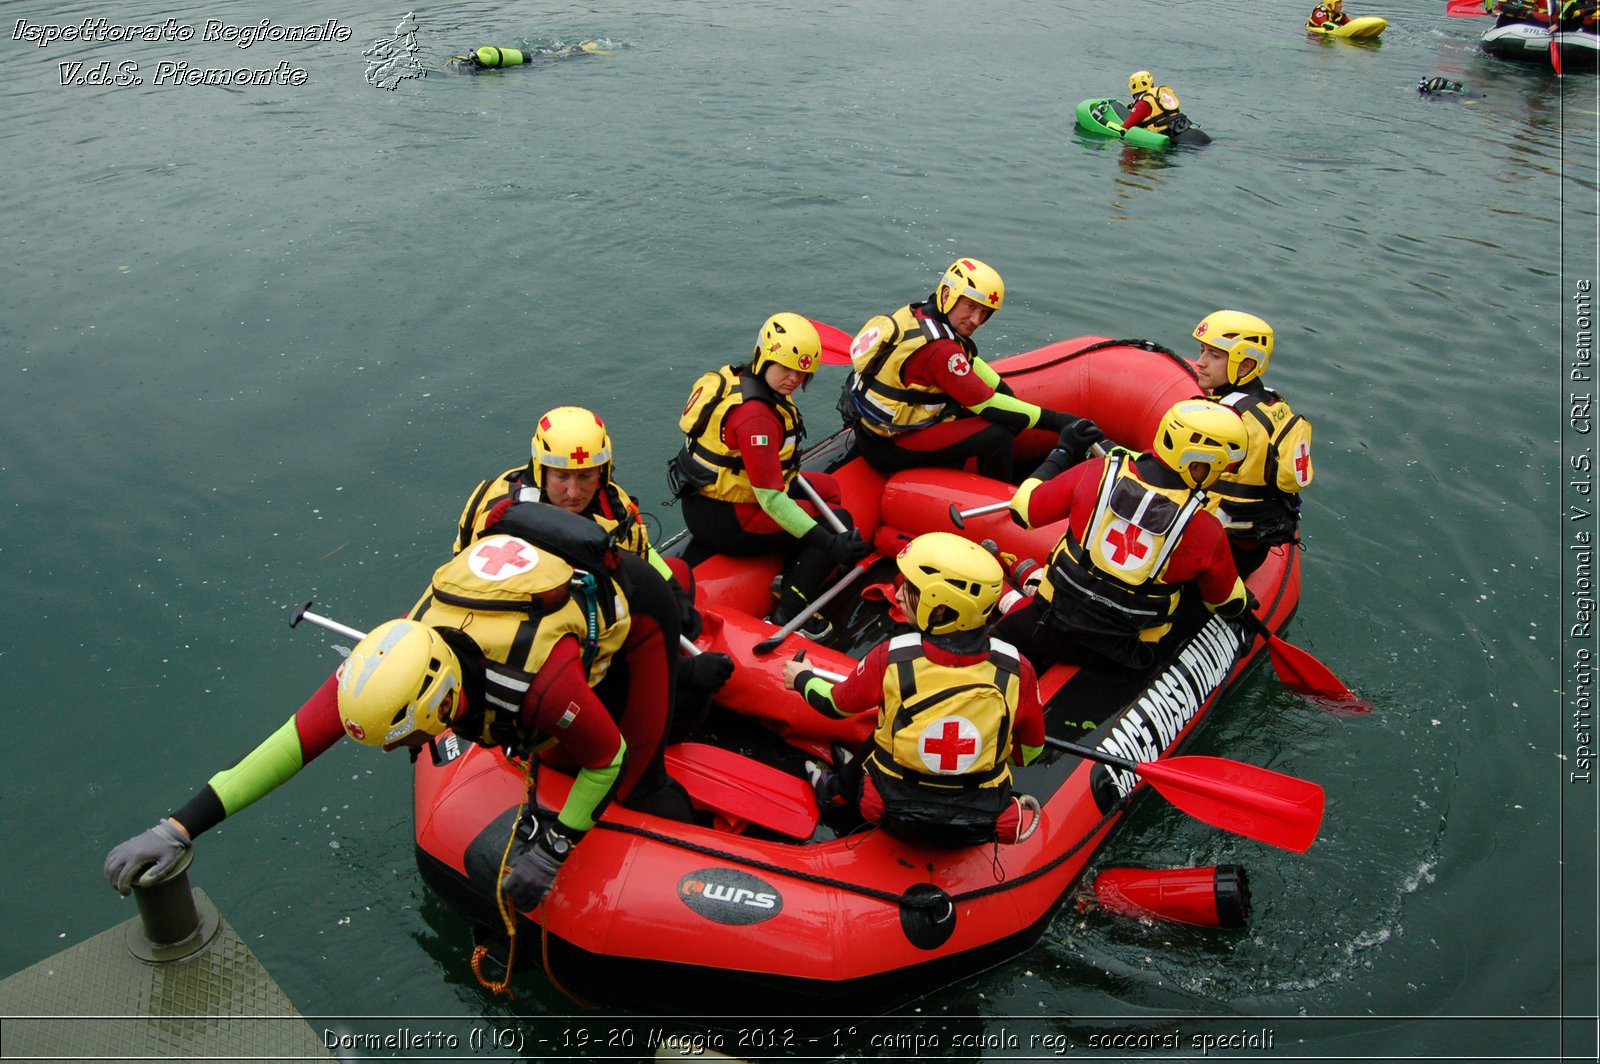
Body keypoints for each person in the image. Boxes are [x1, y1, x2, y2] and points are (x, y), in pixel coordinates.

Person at [105, 505, 690, 913]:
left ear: (441, 708)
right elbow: (291, 743)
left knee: (635, 776)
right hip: (524, 634)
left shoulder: (540, 683)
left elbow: (606, 758)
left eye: (404, 742)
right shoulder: (395, 658)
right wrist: (179, 827)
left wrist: (556, 849)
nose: (399, 753)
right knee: (559, 753)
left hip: (636, 615)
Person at [454, 406, 734, 720]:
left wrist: (673, 593)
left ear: (603, 470)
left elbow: (639, 551)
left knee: (680, 576)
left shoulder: (612, 504)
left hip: (592, 622)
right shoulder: (516, 530)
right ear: (540, 468)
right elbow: (587, 636)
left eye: (586, 476)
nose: (574, 492)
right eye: (561, 477)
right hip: (549, 655)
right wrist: (684, 670)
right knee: (691, 703)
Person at [782, 533, 1045, 847]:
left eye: (911, 589)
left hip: (891, 812)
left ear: (941, 608)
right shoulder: (1019, 670)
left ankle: (833, 794)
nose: (899, 594)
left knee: (888, 729)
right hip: (978, 823)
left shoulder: (890, 657)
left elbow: (834, 705)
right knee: (895, 728)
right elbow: (1029, 752)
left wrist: (801, 678)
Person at [996, 399, 1252, 673]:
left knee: (996, 640)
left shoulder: (1096, 473)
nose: (1222, 477)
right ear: (1198, 466)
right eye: (1222, 469)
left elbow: (1023, 511)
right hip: (1125, 653)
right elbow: (1224, 601)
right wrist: (1243, 600)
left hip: (1050, 623)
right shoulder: (1205, 530)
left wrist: (1063, 450)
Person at [672, 312, 869, 638]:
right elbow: (771, 498)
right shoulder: (756, 419)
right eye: (786, 368)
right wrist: (831, 543)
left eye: (803, 372)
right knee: (838, 519)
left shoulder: (737, 379)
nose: (793, 379)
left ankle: (791, 570)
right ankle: (791, 611)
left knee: (829, 489)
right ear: (764, 358)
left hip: (710, 499)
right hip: (729, 519)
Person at [838, 258, 1102, 482]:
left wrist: (1007, 395)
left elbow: (972, 363)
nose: (976, 320)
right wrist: (1061, 421)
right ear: (947, 295)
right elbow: (984, 403)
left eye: (985, 312)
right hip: (890, 448)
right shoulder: (939, 350)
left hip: (879, 432)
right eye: (970, 306)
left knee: (1006, 412)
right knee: (998, 434)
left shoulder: (921, 313)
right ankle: (999, 499)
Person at [1190, 311, 1313, 576]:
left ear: (1245, 365)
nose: (1200, 363)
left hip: (1218, 551)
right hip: (1253, 545)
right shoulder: (1273, 403)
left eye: (1214, 355)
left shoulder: (1222, 421)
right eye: (1202, 351)